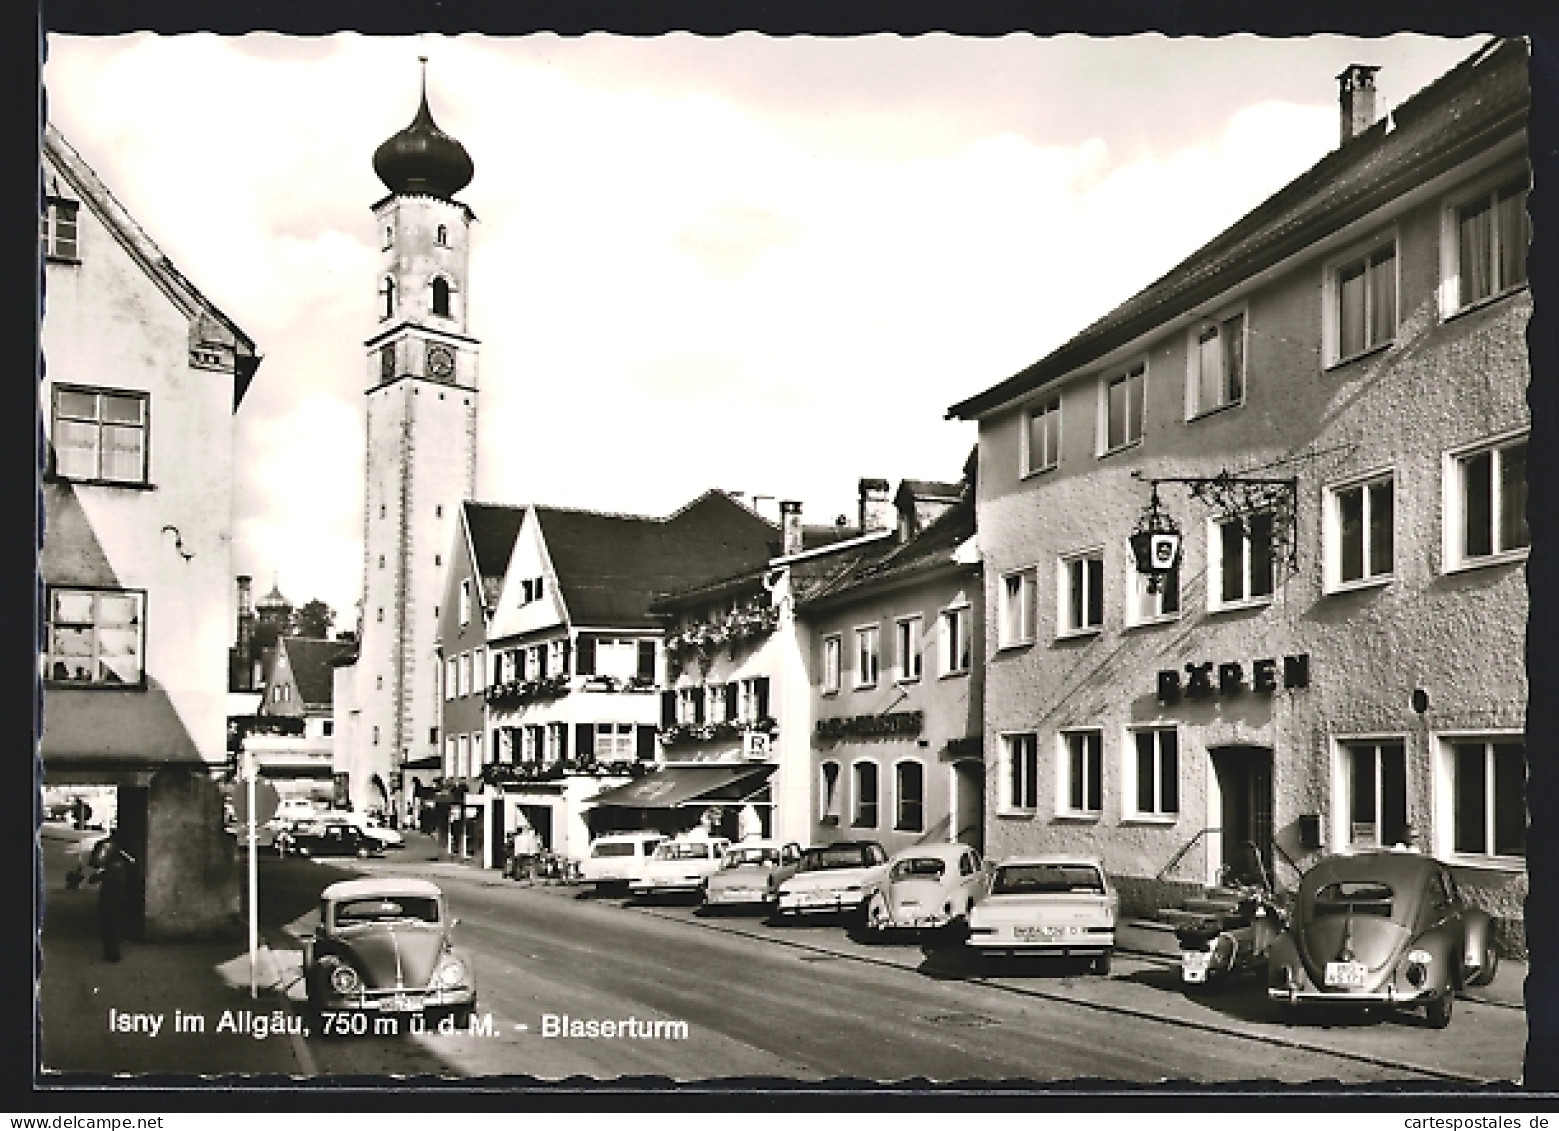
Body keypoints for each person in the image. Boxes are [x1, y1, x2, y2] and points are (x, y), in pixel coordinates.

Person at [93, 834, 135, 963]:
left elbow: (96, 867)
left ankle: (110, 951)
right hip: (117, 894)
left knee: (108, 922)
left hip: (109, 893)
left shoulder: (110, 854)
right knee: (114, 923)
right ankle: (113, 951)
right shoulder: (122, 859)